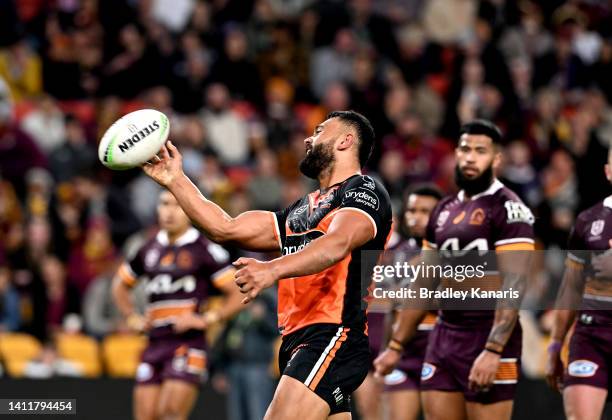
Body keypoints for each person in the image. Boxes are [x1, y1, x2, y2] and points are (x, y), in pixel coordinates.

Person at [143, 110, 392, 420]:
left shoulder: (364, 192)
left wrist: (271, 269)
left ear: (345, 140)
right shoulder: (302, 208)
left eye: (319, 131)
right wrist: (175, 180)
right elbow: (226, 227)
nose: (308, 138)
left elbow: (337, 244)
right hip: (296, 339)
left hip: (333, 335)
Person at [375, 120, 535, 420]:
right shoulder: (443, 211)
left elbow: (514, 285)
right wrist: (396, 345)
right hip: (444, 336)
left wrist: (493, 349)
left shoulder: (509, 210)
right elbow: (423, 283)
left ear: (496, 159)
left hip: (486, 332)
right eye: (464, 149)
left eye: (480, 151)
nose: (470, 157)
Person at [112, 191, 244, 420]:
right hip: (154, 342)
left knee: (170, 413)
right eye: (164, 204)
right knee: (144, 416)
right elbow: (119, 285)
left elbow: (238, 291)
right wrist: (132, 317)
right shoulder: (149, 248)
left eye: (177, 205)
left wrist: (208, 319)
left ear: (189, 211)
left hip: (187, 343)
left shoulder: (203, 249)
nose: (169, 212)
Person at [356, 184, 442, 420]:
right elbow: (389, 309)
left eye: (425, 212)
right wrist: (386, 352)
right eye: (412, 211)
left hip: (441, 352)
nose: (416, 218)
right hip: (403, 354)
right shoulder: (397, 256)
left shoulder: (455, 254)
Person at [546, 146, 612, 420]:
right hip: (591, 334)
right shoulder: (588, 221)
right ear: (609, 172)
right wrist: (555, 345)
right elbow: (570, 289)